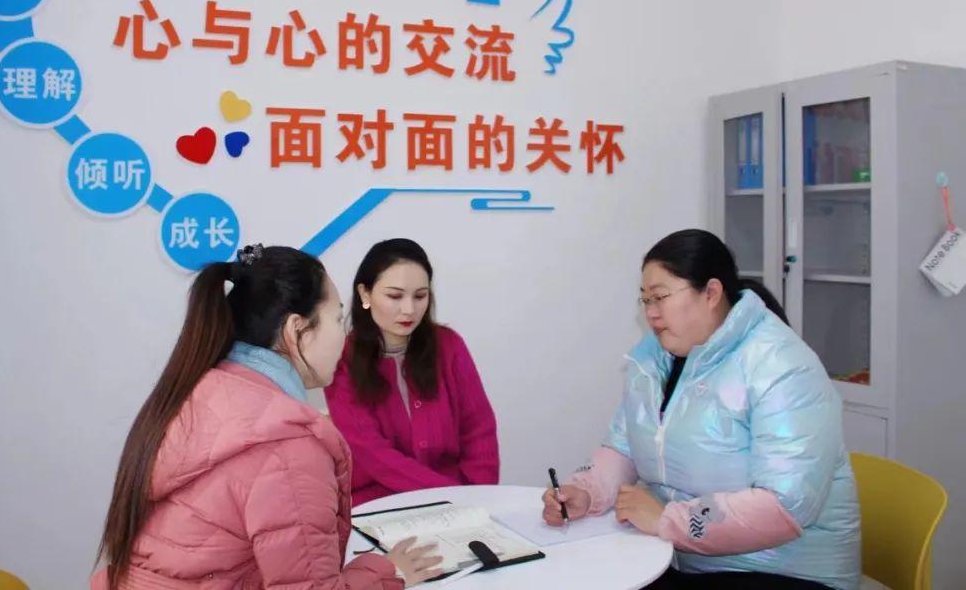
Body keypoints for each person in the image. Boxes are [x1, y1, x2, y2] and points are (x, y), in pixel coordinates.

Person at [92, 244, 443, 589]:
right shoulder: (291, 448)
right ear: (296, 330)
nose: (343, 334)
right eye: (337, 319)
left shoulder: (199, 391)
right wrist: (387, 572)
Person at [542, 229, 860, 590]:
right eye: (644, 300)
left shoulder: (782, 366)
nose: (651, 313)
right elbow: (623, 446)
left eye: (660, 297)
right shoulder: (655, 359)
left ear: (711, 293)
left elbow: (785, 506)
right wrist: (585, 492)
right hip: (684, 558)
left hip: (785, 572)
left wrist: (667, 519)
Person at [324, 238, 500, 505]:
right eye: (394, 296)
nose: (409, 309)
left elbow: (478, 430)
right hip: (380, 503)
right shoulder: (342, 359)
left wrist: (478, 496)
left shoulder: (449, 345)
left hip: (460, 499)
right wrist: (450, 495)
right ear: (365, 294)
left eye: (420, 296)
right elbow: (372, 453)